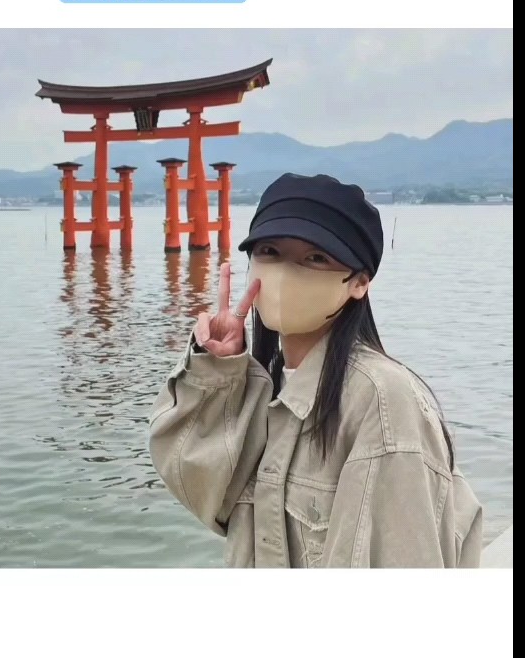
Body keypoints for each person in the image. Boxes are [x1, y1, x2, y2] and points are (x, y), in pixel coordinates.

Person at [147, 173, 483, 568]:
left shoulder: (382, 400)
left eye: (315, 258)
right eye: (270, 251)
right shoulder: (265, 387)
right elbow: (201, 487)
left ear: (359, 282)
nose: (285, 273)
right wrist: (216, 370)